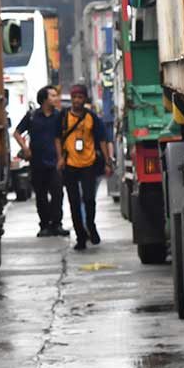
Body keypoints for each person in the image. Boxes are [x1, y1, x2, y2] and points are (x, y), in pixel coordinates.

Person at [60, 84, 112, 250]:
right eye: (74, 97)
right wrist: (60, 158)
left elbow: (102, 140)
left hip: (88, 165)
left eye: (80, 97)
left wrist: (107, 161)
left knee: (89, 199)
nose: (76, 100)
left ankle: (91, 225)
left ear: (84, 99)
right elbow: (56, 138)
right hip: (69, 166)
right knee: (74, 203)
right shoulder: (63, 117)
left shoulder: (92, 118)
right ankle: (80, 237)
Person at [14, 85, 69, 238]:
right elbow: (17, 133)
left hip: (54, 162)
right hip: (37, 162)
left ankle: (57, 224)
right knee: (41, 195)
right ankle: (44, 225)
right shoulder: (32, 116)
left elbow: (60, 138)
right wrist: (25, 148)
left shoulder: (58, 116)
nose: (55, 98)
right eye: (52, 96)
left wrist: (61, 158)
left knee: (58, 193)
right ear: (44, 99)